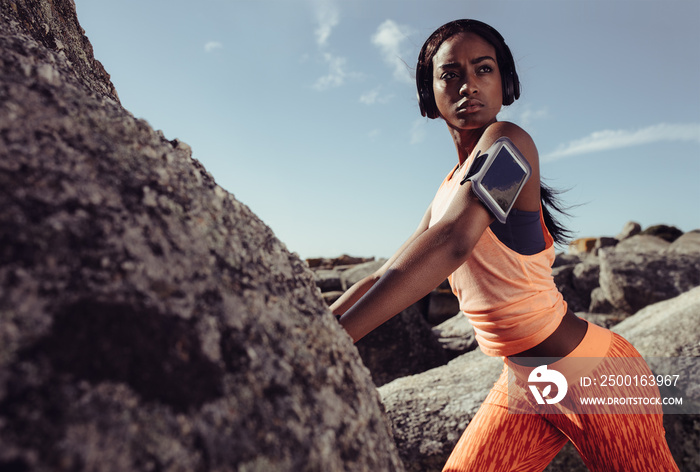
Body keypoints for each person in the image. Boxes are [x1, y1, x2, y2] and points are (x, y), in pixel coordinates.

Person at [331, 19, 679, 472]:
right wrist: (318, 331)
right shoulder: (447, 190)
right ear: (428, 97)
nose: (468, 86)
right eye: (450, 74)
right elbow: (384, 275)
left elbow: (455, 242)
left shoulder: (511, 145)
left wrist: (340, 338)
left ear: (506, 84)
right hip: (524, 386)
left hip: (596, 374)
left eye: (483, 70)